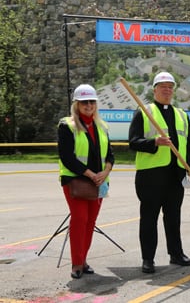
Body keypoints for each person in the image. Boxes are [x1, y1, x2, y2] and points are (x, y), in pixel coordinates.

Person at [128, 71, 190, 274]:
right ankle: (148, 259)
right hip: (150, 176)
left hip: (176, 175)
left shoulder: (182, 115)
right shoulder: (144, 111)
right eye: (163, 87)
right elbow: (133, 142)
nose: (167, 90)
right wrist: (154, 142)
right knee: (149, 218)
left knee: (173, 217)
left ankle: (176, 253)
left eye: (170, 87)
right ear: (155, 90)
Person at [58, 84, 114, 279]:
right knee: (80, 219)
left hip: (98, 182)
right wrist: (91, 174)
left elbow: (110, 156)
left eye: (91, 101)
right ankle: (76, 264)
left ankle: (83, 260)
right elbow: (67, 157)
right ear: (77, 104)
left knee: (90, 222)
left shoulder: (102, 126)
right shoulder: (67, 126)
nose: (88, 105)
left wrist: (105, 172)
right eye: (84, 102)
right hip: (76, 182)